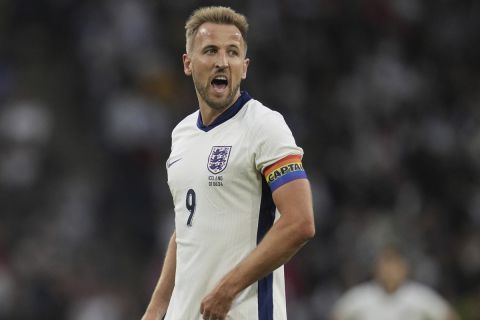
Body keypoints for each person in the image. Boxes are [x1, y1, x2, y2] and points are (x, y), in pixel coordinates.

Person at [141, 6, 315, 320]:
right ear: (188, 63)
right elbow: (185, 230)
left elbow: (299, 222)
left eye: (232, 52)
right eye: (210, 51)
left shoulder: (264, 126)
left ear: (244, 67)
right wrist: (156, 308)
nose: (222, 61)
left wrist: (227, 290)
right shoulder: (181, 134)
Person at [330, 245, 459, 320]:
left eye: (394, 266)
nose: (390, 271)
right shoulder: (361, 296)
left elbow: (449, 316)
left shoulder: (418, 296)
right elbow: (336, 316)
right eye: (386, 265)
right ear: (376, 269)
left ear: (404, 269)